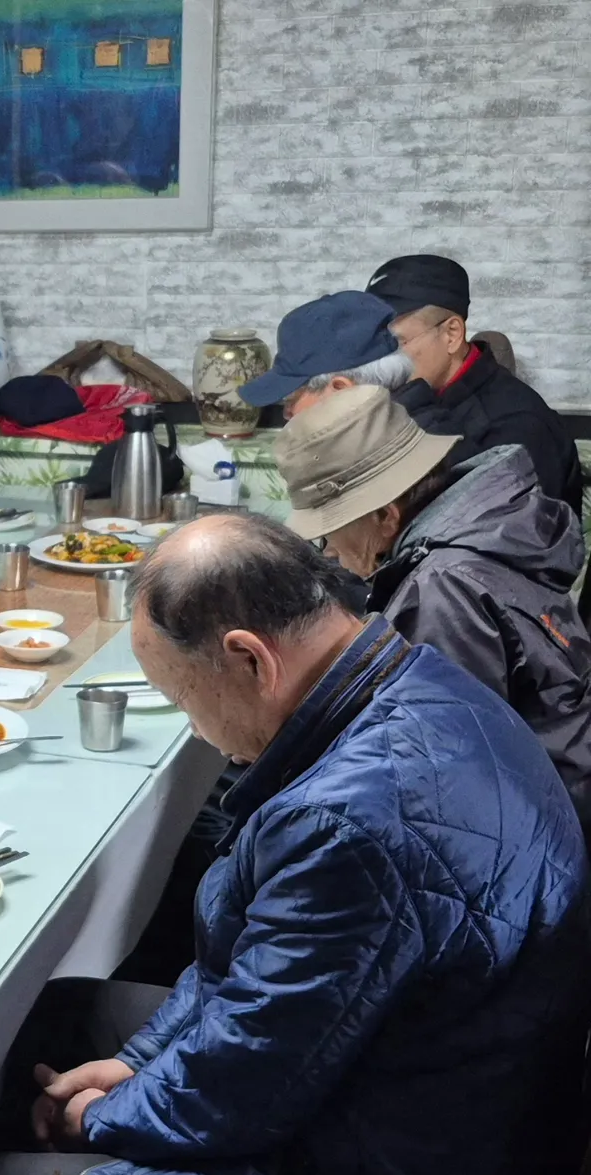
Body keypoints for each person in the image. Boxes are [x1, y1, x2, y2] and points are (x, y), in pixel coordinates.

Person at [0, 514, 590, 1175]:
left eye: (184, 696)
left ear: (248, 658)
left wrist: (104, 1118)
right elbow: (259, 976)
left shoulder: (349, 823)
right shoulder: (420, 677)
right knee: (61, 1017)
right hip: (431, 1096)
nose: (198, 730)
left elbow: (251, 1081)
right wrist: (140, 1063)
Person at [275, 385, 591, 828]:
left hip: (546, 823)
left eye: (332, 530)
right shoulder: (483, 527)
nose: (329, 551)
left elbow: (446, 777)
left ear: (386, 516)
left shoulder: (441, 589)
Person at [366, 253, 584, 518]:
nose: (378, 359)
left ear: (451, 334)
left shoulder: (517, 428)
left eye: (395, 343)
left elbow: (508, 534)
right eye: (372, 343)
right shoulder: (408, 396)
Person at [235, 289, 426, 422]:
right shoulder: (407, 430)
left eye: (292, 398)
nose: (287, 413)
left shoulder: (370, 456)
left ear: (341, 389)